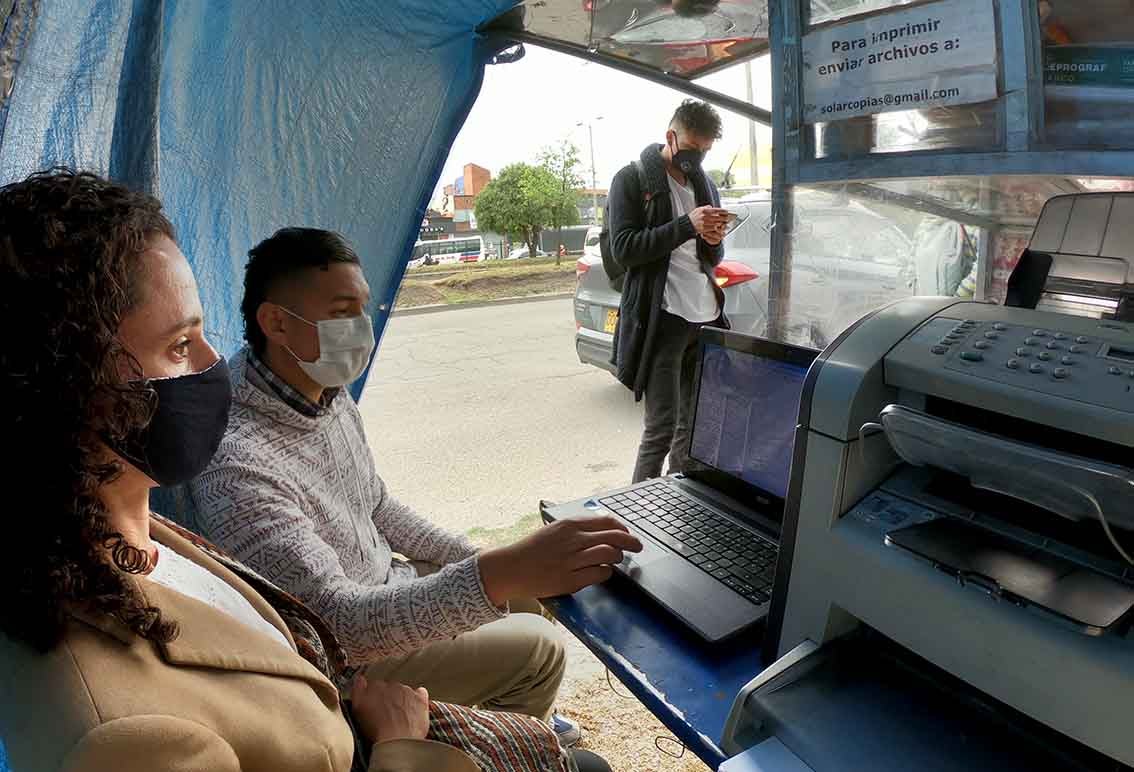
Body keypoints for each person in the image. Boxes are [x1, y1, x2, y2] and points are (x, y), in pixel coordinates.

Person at [0, 168, 612, 772]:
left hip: (368, 644)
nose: (215, 364)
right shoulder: (121, 733)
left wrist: (491, 564)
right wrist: (400, 744)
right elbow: (337, 625)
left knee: (527, 613)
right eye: (181, 345)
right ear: (67, 385)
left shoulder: (139, 530)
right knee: (542, 660)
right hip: (361, 678)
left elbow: (375, 504)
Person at [190, 227, 641, 744]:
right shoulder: (237, 463)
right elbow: (336, 625)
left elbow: (377, 505)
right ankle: (504, 737)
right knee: (541, 648)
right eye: (341, 312)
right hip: (347, 659)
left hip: (384, 585)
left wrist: (478, 558)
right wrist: (495, 572)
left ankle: (507, 712)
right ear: (275, 322)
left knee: (530, 597)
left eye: (364, 309)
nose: (361, 328)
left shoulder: (324, 392)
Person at [607, 99, 731, 482]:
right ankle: (634, 519)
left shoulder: (704, 184)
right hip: (664, 317)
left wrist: (713, 237)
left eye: (705, 151)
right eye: (692, 149)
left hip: (705, 316)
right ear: (671, 137)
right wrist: (686, 226)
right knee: (661, 429)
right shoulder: (632, 180)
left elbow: (711, 254)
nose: (697, 158)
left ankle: (679, 505)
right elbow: (624, 249)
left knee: (693, 429)